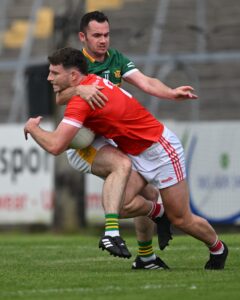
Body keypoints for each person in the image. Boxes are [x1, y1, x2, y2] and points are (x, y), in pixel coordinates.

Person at [24, 47, 228, 270]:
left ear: (73, 76)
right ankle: (155, 224)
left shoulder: (83, 99)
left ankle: (218, 248)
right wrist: (79, 90)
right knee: (117, 206)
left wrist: (33, 128)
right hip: (134, 152)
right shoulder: (89, 83)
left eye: (54, 73)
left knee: (181, 219)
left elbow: (55, 146)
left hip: (161, 151)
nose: (48, 77)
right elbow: (63, 95)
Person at [55, 11, 197, 268]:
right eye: (97, 35)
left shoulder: (116, 59)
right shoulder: (76, 62)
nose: (103, 40)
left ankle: (146, 256)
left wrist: (171, 93)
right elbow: (59, 97)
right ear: (82, 37)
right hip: (85, 142)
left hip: (111, 138)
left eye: (106, 35)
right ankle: (118, 231)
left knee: (149, 192)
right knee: (122, 170)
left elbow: (146, 82)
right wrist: (79, 89)